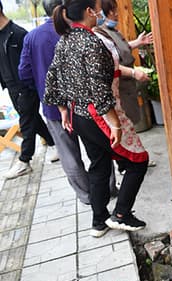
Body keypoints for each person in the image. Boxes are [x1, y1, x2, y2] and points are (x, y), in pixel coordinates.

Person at [45, 0, 149, 237]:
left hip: (79, 114)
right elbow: (99, 89)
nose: (100, 12)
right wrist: (115, 124)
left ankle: (99, 220)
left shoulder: (65, 40)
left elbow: (52, 80)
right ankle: (121, 214)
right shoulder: (90, 42)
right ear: (89, 11)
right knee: (138, 160)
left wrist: (64, 110)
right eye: (98, 7)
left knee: (99, 165)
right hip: (99, 115)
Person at [18, 0, 117, 204]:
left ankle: (87, 196)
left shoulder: (32, 36)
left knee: (69, 156)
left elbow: (24, 73)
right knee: (99, 151)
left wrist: (40, 85)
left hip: (55, 108)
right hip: (87, 107)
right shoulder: (79, 33)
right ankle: (107, 190)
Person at [1, 1, 58, 179]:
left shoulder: (17, 34)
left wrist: (30, 85)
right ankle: (54, 142)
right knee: (33, 119)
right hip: (11, 87)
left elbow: (30, 63)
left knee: (26, 122)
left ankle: (24, 160)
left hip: (25, 87)